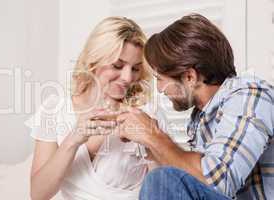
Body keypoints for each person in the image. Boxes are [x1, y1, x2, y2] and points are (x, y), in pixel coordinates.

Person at [116, 14, 274, 200]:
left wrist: (153, 135)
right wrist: (147, 140)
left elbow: (216, 183)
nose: (159, 89)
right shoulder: (201, 118)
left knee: (161, 180)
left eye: (160, 79)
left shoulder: (250, 95)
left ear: (190, 77)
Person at [26, 16, 170, 200]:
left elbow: (164, 192)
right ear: (94, 61)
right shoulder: (54, 109)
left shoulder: (148, 113)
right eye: (118, 65)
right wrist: (73, 140)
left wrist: (150, 140)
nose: (127, 77)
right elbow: (38, 194)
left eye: (135, 69)